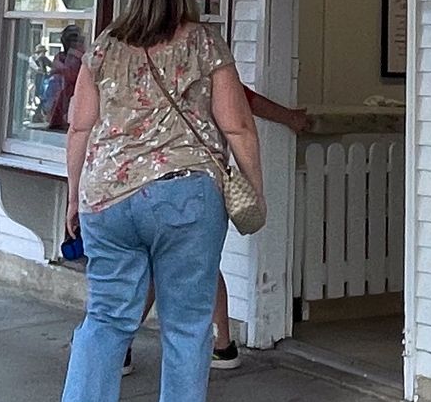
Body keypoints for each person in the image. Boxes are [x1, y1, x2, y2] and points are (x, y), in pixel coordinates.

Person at [46, 0, 263, 402]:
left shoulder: (103, 47)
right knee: (187, 322)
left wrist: (74, 196)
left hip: (108, 197)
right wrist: (254, 188)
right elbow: (237, 127)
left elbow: (79, 129)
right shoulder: (204, 43)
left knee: (105, 318)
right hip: (184, 196)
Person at [125, 85, 309, 377]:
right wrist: (288, 117)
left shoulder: (154, 70)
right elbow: (246, 104)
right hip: (205, 182)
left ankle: (121, 344)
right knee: (203, 261)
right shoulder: (209, 69)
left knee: (154, 263)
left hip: (159, 180)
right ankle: (222, 344)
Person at [43, 24, 85, 131]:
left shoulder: (81, 58)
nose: (73, 43)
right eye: (70, 39)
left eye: (76, 39)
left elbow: (75, 76)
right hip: (61, 102)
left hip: (77, 100)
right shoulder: (61, 57)